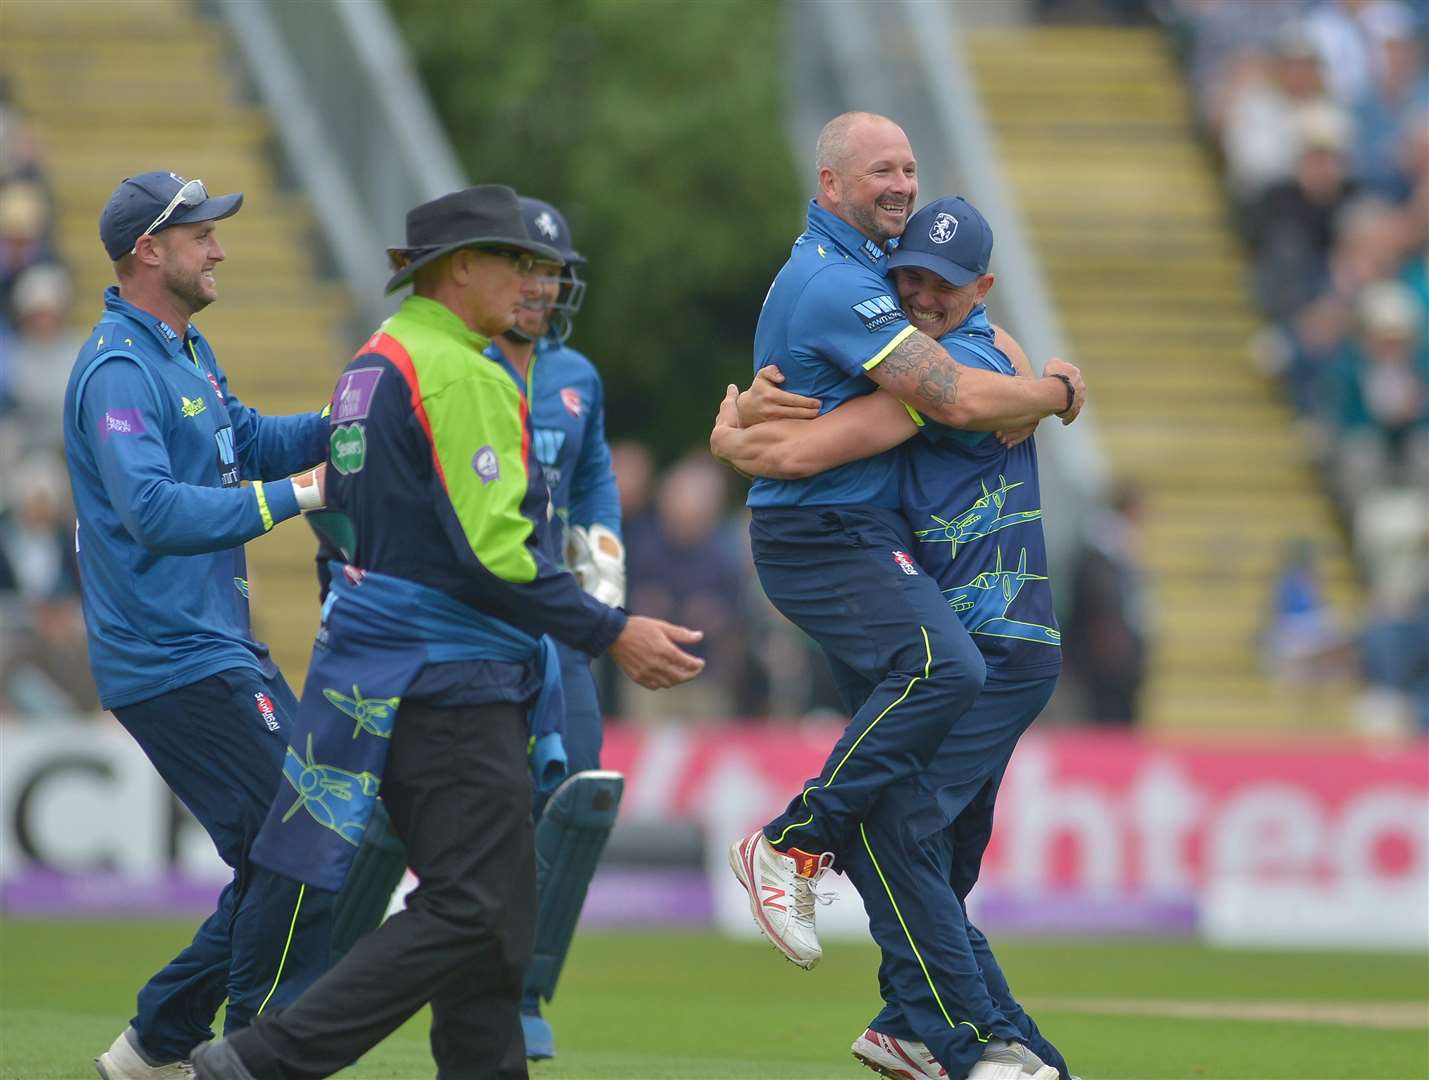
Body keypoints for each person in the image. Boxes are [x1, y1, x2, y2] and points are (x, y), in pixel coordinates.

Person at [191, 183, 704, 1080]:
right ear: (459, 267)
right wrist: (611, 629)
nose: (530, 282)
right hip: (453, 675)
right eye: (514, 261)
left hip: (387, 663)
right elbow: (496, 555)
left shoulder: (372, 360)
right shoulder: (464, 371)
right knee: (473, 909)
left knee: (497, 924)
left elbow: (343, 523)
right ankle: (264, 1061)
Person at [713, 196, 1072, 1080]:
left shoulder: (945, 382)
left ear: (980, 289)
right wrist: (1053, 387)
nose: (921, 295)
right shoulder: (964, 360)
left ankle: (947, 1023)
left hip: (996, 651)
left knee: (897, 835)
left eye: (943, 285)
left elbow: (797, 455)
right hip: (988, 642)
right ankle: (937, 1031)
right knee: (934, 853)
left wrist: (730, 436)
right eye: (907, 274)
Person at [61, 171, 332, 1080]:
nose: (218, 248)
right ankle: (250, 1052)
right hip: (168, 655)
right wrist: (299, 496)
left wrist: (349, 425)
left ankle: (157, 1048)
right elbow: (152, 512)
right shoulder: (118, 369)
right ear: (150, 250)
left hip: (213, 645)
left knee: (293, 846)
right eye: (201, 234)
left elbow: (243, 439)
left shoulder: (185, 350)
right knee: (302, 842)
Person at [484, 196, 626, 1060]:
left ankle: (527, 988)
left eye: (554, 273)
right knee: (469, 806)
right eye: (530, 270)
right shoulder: (446, 366)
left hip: (557, 626)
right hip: (468, 619)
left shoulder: (577, 377)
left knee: (573, 802)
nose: (544, 287)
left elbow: (595, 482)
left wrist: (601, 574)